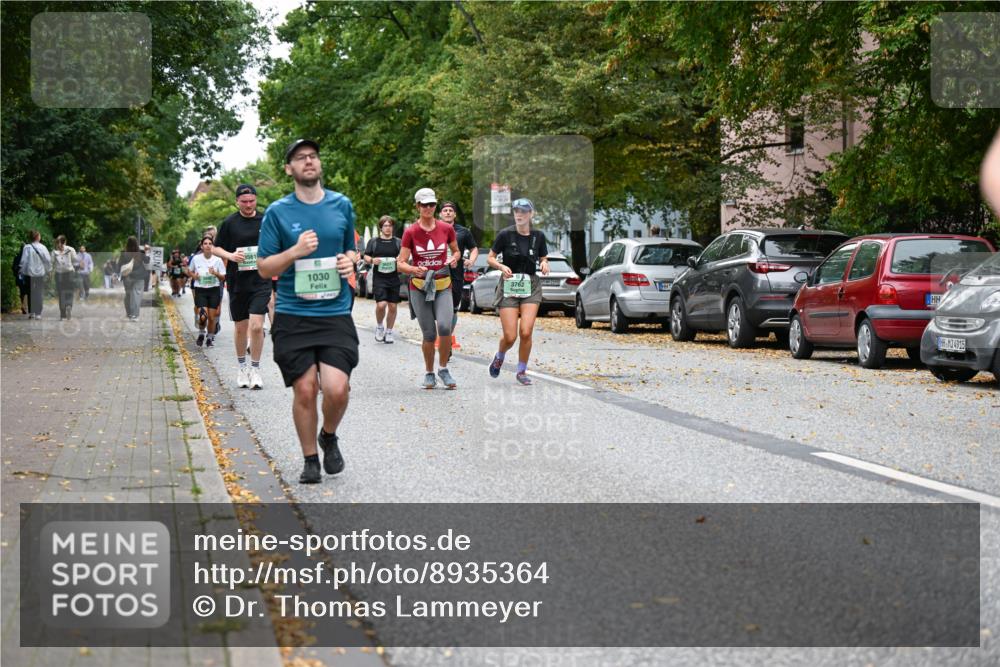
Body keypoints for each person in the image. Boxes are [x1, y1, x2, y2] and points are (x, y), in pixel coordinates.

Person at [257, 139, 358, 485]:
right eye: (300, 158)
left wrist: (350, 261)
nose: (308, 162)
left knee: (336, 389)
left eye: (313, 156)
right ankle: (310, 459)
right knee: (304, 389)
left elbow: (351, 251)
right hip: (293, 313)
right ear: (290, 169)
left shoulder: (341, 205)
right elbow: (264, 267)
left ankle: (328, 435)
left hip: (334, 313)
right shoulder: (277, 212)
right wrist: (295, 252)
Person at [397, 187, 461, 389]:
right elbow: (401, 262)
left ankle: (443, 369)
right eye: (424, 204)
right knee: (429, 334)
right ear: (417, 206)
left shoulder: (446, 228)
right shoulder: (411, 232)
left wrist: (454, 259)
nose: (428, 208)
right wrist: (414, 269)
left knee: (444, 327)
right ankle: (429, 372)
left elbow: (456, 251)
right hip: (420, 287)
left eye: (432, 204)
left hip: (443, 285)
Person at [213, 184, 271, 389]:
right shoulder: (229, 222)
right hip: (237, 281)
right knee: (240, 328)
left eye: (252, 201)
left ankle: (255, 369)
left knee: (256, 326)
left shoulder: (266, 219)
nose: (248, 205)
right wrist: (230, 256)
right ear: (237, 201)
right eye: (244, 202)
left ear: (256, 200)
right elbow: (215, 247)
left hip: (261, 279)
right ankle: (241, 368)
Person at [487, 198, 550, 385]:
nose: (519, 214)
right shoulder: (505, 235)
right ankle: (500, 356)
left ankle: (521, 371)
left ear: (531, 214)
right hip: (509, 284)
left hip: (530, 284)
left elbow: (543, 256)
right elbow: (490, 258)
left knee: (526, 331)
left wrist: (545, 263)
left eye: (523, 211)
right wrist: (500, 266)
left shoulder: (538, 236)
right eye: (516, 211)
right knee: (510, 336)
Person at [437, 201, 478, 350]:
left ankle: (447, 338)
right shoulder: (433, 229)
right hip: (436, 273)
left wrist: (471, 260)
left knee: (453, 308)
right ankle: (442, 335)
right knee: (439, 307)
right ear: (440, 214)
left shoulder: (463, 232)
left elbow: (474, 249)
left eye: (450, 210)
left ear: (454, 214)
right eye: (445, 210)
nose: (448, 212)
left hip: (456, 274)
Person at [362, 215, 402, 344]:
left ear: (392, 227)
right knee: (381, 304)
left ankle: (389, 331)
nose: (388, 228)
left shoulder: (398, 242)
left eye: (390, 225)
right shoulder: (374, 242)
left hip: (394, 277)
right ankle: (380, 326)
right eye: (385, 225)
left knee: (393, 306)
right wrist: (372, 260)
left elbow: (404, 256)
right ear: (381, 227)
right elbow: (366, 256)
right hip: (379, 277)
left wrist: (399, 259)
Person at [187, 236, 225, 346]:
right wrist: (195, 276)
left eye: (210, 243)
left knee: (212, 318)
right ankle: (201, 333)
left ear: (212, 246)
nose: (207, 245)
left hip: (214, 290)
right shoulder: (196, 259)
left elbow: (223, 278)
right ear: (202, 246)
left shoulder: (217, 260)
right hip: (201, 290)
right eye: (205, 243)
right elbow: (189, 271)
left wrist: (216, 273)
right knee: (203, 315)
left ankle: (210, 337)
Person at [18, 230, 51, 319]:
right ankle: (38, 313)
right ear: (37, 237)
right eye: (39, 235)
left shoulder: (27, 247)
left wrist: (21, 271)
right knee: (39, 292)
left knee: (30, 292)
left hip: (29, 273)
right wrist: (49, 270)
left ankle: (32, 312)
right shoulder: (43, 247)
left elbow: (24, 261)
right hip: (40, 273)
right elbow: (48, 260)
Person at [117, 236, 148, 320]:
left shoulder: (124, 253)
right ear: (136, 243)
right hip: (139, 277)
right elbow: (147, 261)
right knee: (136, 296)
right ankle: (135, 315)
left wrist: (118, 275)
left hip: (127, 277)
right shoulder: (140, 252)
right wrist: (146, 251)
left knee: (128, 295)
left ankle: (129, 313)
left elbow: (119, 265)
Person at [52, 235, 78, 320]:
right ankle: (69, 305)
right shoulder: (71, 249)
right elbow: (75, 260)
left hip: (59, 274)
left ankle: (63, 314)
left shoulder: (54, 252)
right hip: (69, 273)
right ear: (65, 241)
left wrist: (49, 272)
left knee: (61, 293)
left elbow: (51, 263)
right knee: (70, 291)